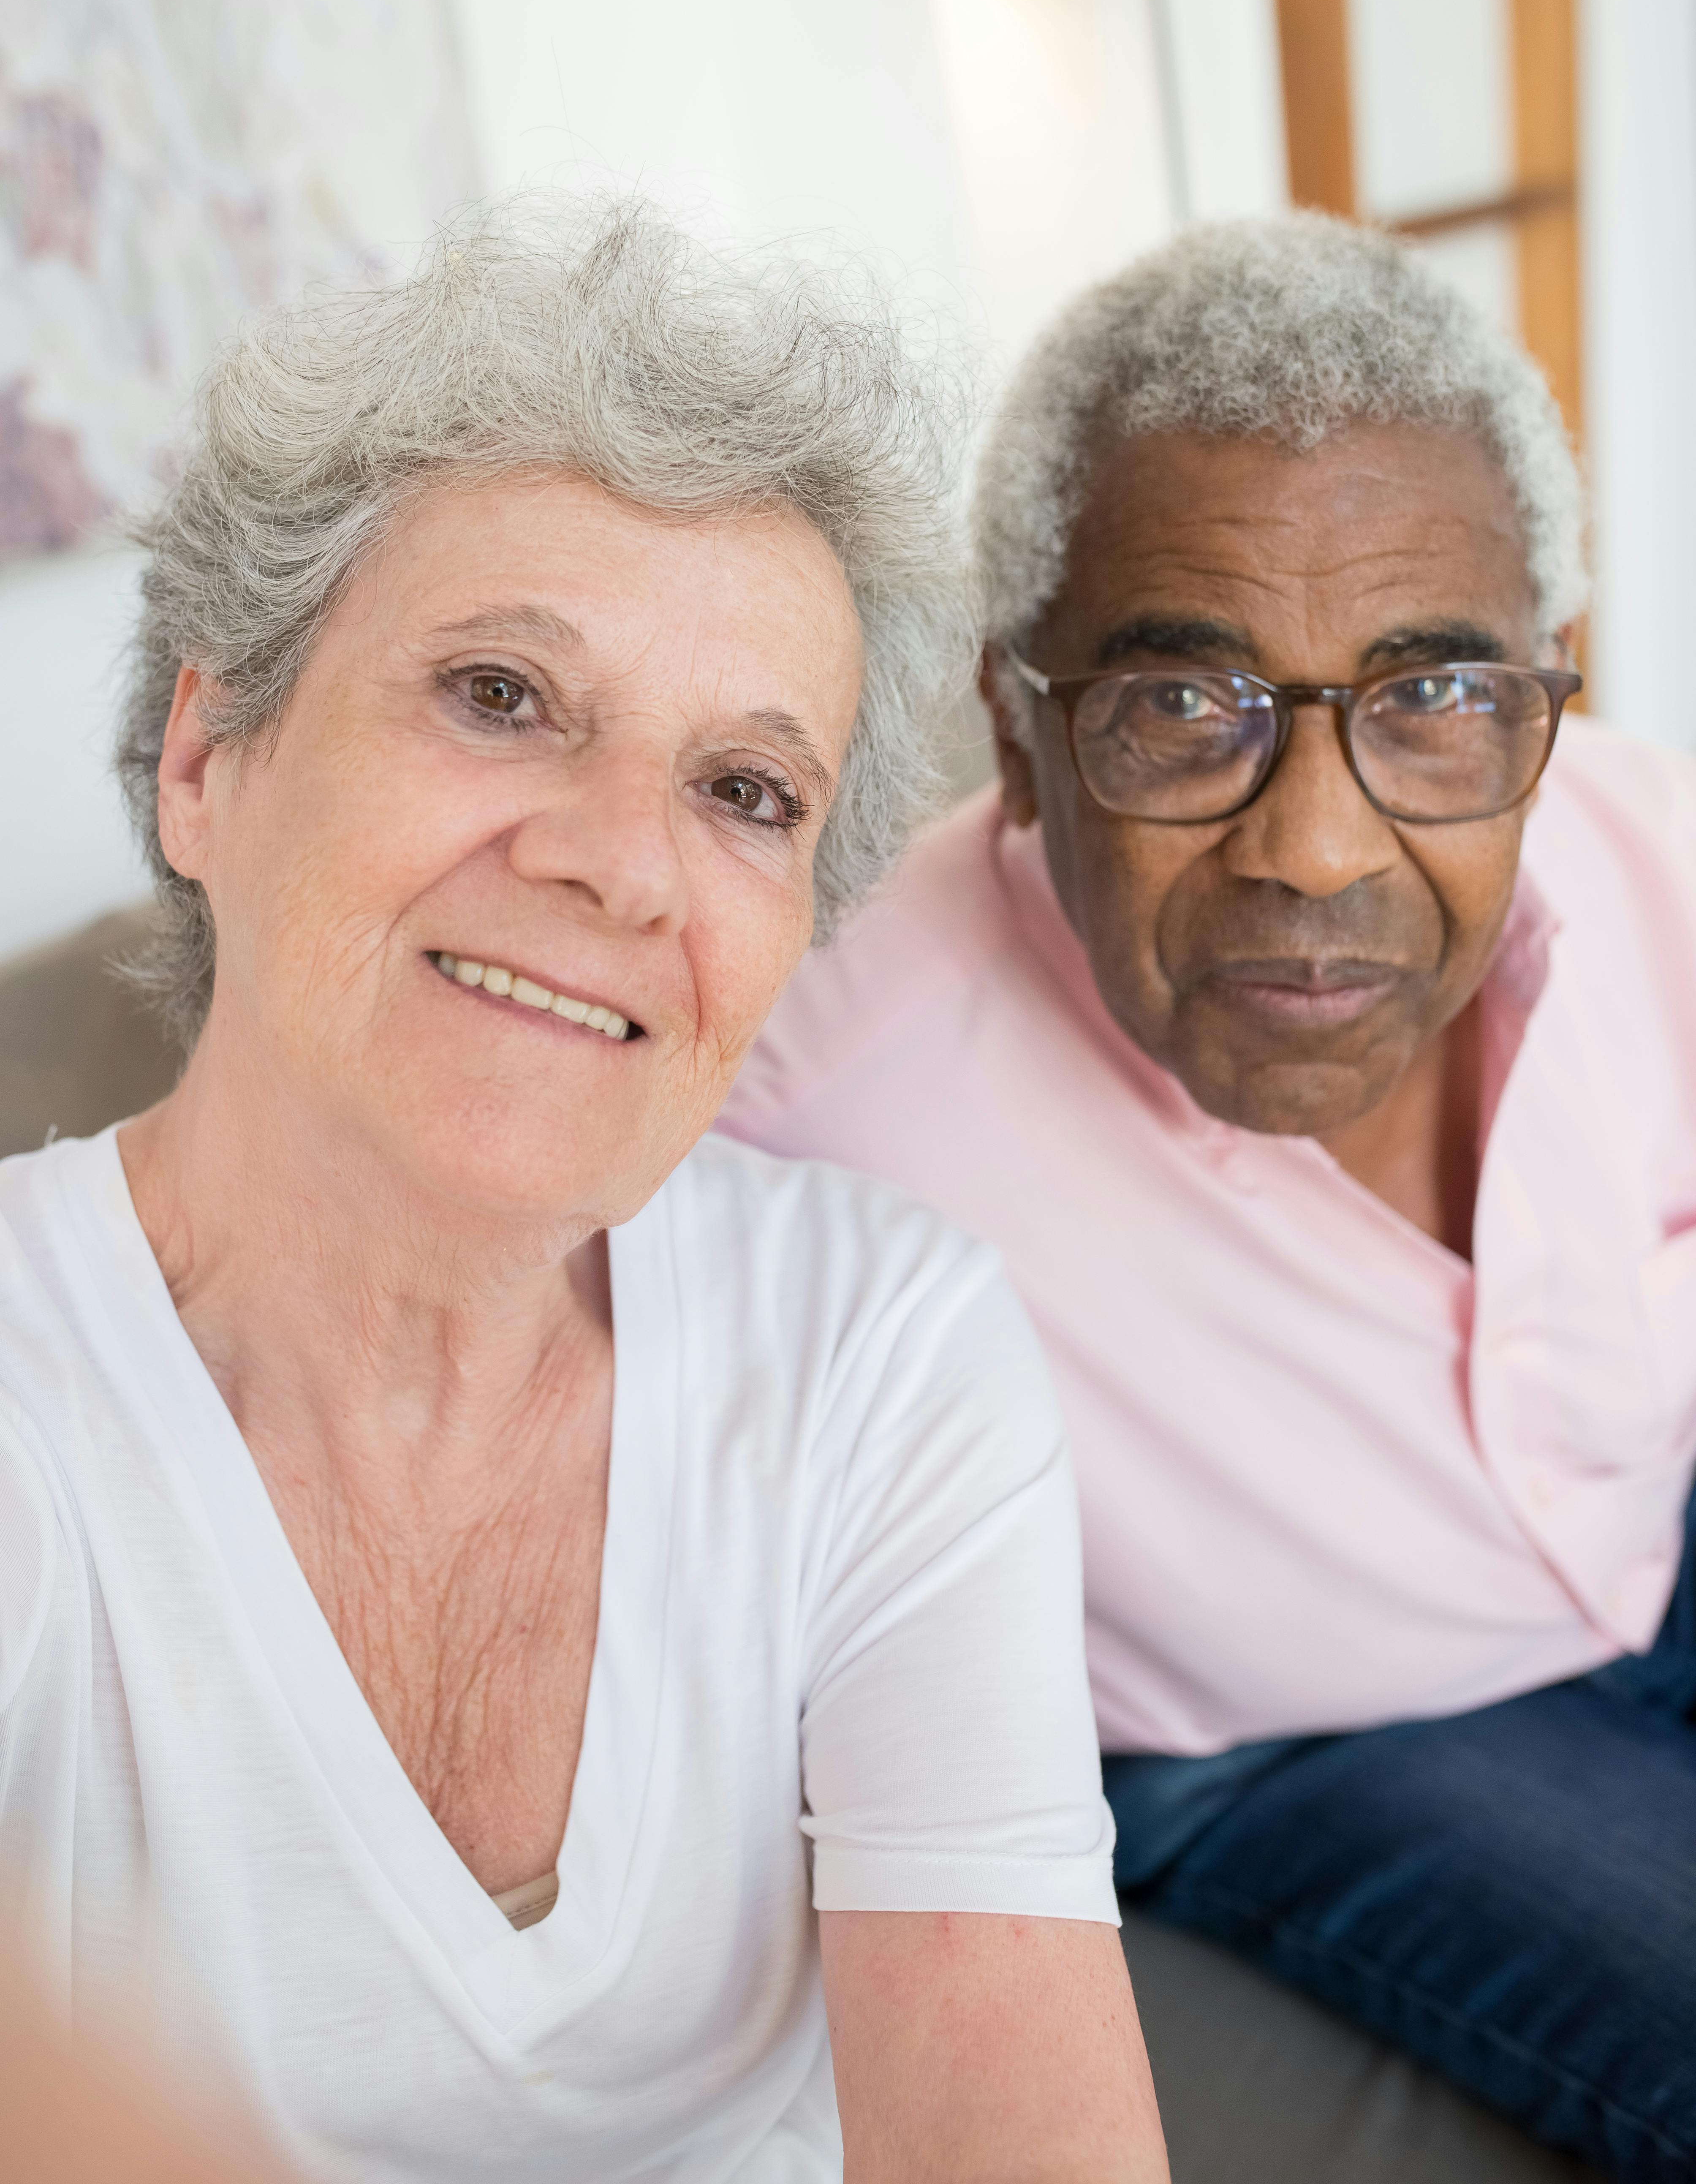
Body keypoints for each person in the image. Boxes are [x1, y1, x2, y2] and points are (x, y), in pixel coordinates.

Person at [0, 201, 1168, 2184]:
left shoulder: (876, 1349)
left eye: (743, 792)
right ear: (207, 756)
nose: (625, 868)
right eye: (500, 693)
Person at [721, 215, 1696, 2183]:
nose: (1318, 845)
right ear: (1013, 726)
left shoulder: (1632, 830)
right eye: (1184, 708)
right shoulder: (787, 1103)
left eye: (1433, 695)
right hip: (1306, 1734)